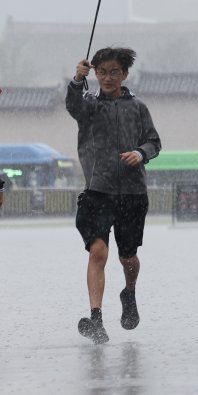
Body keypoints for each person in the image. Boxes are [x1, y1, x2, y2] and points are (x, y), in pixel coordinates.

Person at [66, 47, 162, 344]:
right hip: (97, 191)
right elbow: (73, 106)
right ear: (94, 73)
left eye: (114, 72)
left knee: (128, 256)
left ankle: (129, 292)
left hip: (133, 193)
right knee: (98, 252)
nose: (108, 78)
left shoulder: (138, 108)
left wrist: (140, 153)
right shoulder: (89, 106)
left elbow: (154, 142)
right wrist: (76, 81)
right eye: (102, 72)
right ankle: (96, 318)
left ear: (125, 74)